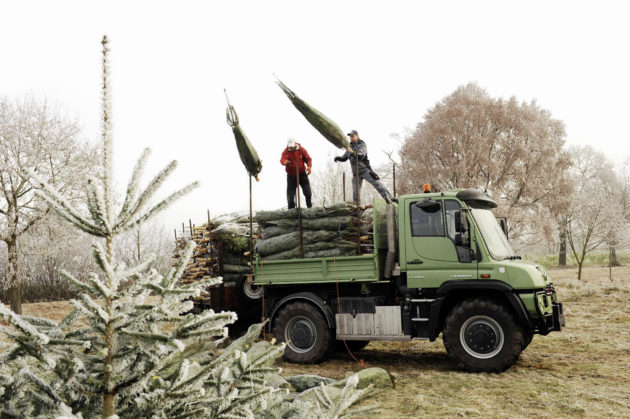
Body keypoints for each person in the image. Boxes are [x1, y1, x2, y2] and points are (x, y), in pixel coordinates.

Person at [334, 130, 392, 202]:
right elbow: (344, 157)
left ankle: (389, 198)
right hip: (356, 174)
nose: (351, 138)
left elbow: (360, 155)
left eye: (352, 136)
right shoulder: (349, 146)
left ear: (357, 136)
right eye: (350, 137)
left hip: (365, 170)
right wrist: (338, 158)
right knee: (355, 193)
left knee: (378, 184)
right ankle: (357, 207)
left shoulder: (362, 144)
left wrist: (353, 152)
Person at [281, 138, 313, 208]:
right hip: (291, 176)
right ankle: (291, 212)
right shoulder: (286, 152)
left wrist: (309, 167)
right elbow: (283, 159)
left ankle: (309, 207)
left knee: (307, 192)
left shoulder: (301, 150)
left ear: (295, 144)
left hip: (302, 174)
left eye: (292, 146)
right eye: (290, 146)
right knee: (290, 197)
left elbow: (308, 159)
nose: (291, 147)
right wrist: (285, 162)